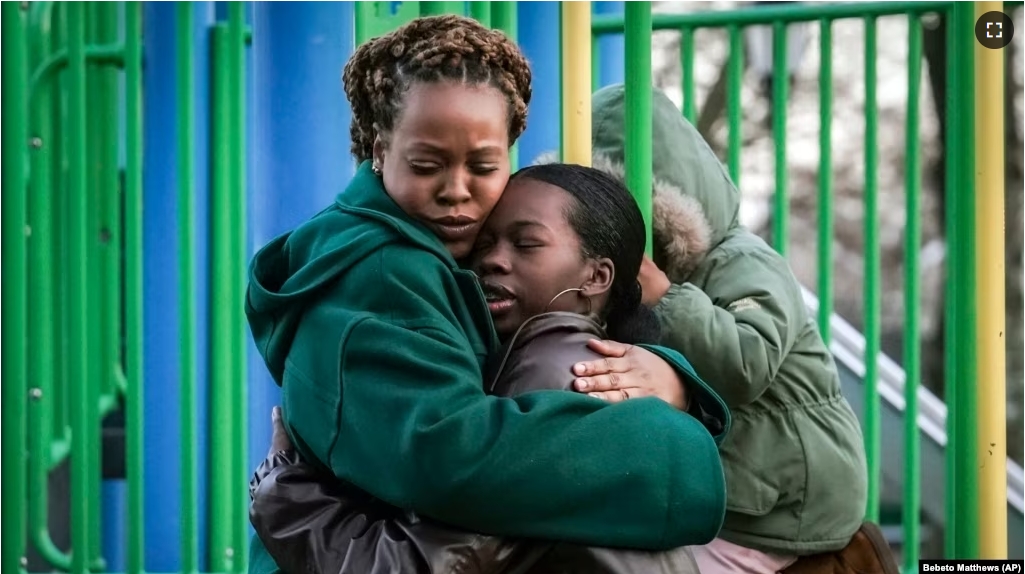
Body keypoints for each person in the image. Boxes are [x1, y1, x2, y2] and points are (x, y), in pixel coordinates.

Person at [244, 16, 730, 574]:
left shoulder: (434, 252)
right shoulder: (382, 270)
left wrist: (666, 376)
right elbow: (450, 455)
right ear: (380, 148)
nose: (456, 192)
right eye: (427, 165)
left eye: (483, 165)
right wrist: (674, 448)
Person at [543, 84, 880, 573]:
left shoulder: (742, 261)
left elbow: (746, 362)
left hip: (782, 504)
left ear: (668, 211)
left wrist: (667, 298)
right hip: (725, 489)